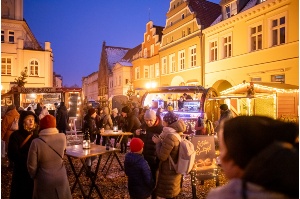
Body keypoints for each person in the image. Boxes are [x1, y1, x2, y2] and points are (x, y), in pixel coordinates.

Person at [207, 116, 299, 199]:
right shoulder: (292, 183)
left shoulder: (225, 196)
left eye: (222, 149)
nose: (220, 157)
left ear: (234, 159)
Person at [27, 115, 72, 199]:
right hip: (61, 176)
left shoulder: (36, 142)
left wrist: (33, 176)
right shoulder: (62, 137)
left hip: (43, 179)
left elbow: (31, 166)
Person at [152, 111, 186, 199]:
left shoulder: (170, 136)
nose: (162, 122)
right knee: (172, 193)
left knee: (167, 194)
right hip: (174, 169)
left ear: (167, 122)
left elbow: (162, 156)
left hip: (168, 171)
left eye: (164, 120)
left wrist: (158, 143)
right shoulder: (176, 133)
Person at [8, 111, 39, 199]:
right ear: (23, 122)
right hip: (20, 171)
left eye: (33, 119)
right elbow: (12, 154)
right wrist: (29, 159)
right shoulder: (15, 135)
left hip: (33, 171)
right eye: (28, 119)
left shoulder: (36, 135)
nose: (31, 121)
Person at [135, 109, 163, 199]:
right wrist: (136, 134)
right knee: (144, 178)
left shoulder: (160, 128)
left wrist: (159, 141)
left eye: (150, 120)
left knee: (154, 179)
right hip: (143, 157)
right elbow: (137, 140)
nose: (148, 122)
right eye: (146, 120)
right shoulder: (143, 126)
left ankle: (154, 196)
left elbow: (164, 144)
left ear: (155, 119)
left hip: (154, 158)